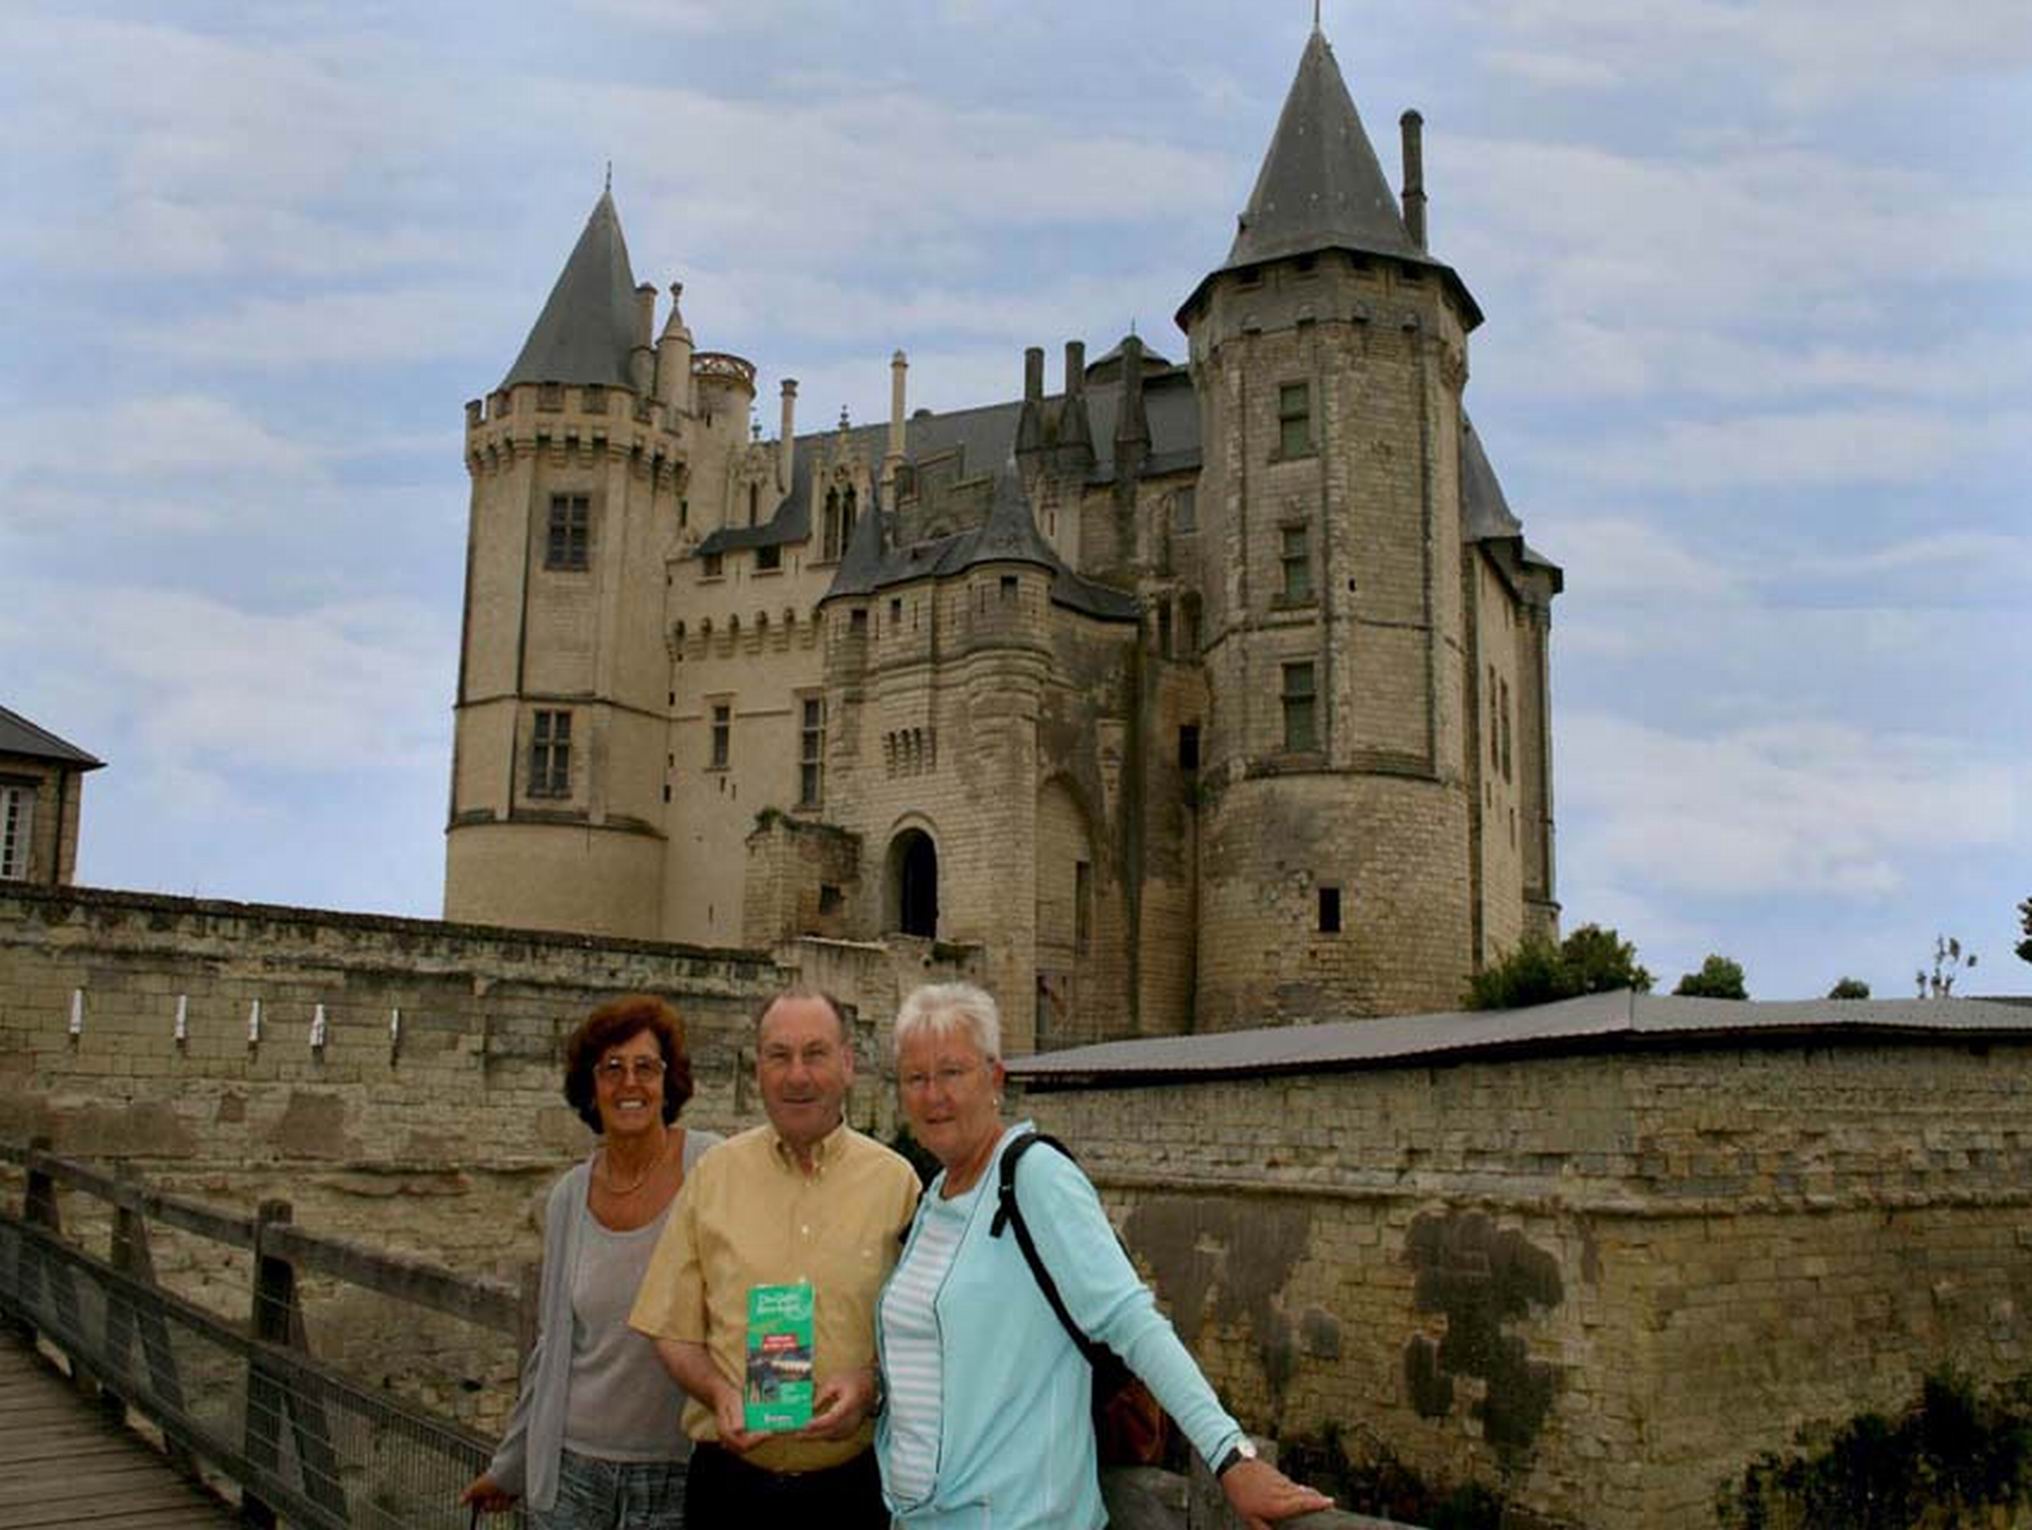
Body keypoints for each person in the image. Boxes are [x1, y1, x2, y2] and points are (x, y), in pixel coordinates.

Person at [877, 981, 1335, 1530]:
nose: (933, 1095)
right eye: (916, 1078)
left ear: (995, 1078)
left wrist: (1231, 1456)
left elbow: (1132, 1321)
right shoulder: (935, 1197)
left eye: (952, 1072)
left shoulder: (1034, 1176)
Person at [630, 988, 919, 1529]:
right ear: (757, 1069)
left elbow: (926, 1336)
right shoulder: (715, 1176)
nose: (797, 1076)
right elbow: (671, 1328)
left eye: (815, 1054)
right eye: (779, 1056)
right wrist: (718, 1392)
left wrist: (872, 1387)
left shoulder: (897, 1184)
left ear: (848, 1064)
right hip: (730, 1490)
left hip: (854, 1492)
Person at [463, 994, 722, 1528]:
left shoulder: (711, 1167)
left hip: (680, 1473)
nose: (630, 1083)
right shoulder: (569, 1197)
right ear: (591, 1086)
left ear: (668, 1081)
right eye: (612, 1068)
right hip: (574, 1470)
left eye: (646, 1067)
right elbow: (553, 1347)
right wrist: (509, 1469)